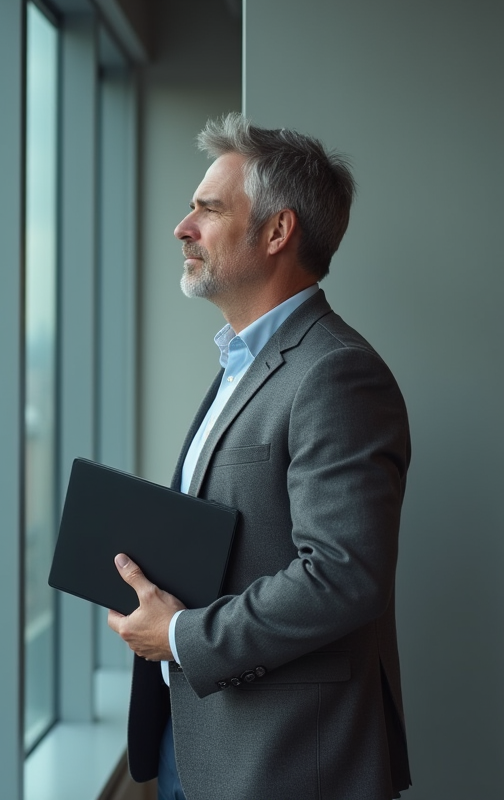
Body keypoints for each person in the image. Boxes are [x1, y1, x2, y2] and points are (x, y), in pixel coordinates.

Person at [107, 113, 412, 800]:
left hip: (282, 761)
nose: (182, 228)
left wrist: (183, 635)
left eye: (208, 209)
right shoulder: (247, 361)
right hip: (200, 736)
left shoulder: (336, 374)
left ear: (278, 232)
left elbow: (344, 575)